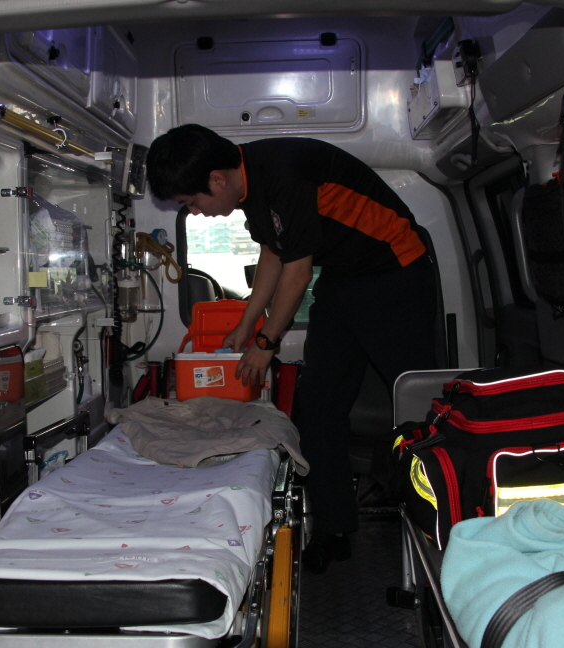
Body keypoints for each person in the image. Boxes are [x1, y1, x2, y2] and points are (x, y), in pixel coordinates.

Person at [146, 124, 438, 572]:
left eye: (192, 202)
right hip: (344, 279)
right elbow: (273, 253)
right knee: (317, 405)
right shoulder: (249, 186)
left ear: (217, 180)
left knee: (419, 410)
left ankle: (439, 524)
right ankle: (334, 529)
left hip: (395, 271)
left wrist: (266, 343)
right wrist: (247, 323)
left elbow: (297, 274)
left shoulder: (285, 173)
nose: (197, 213)